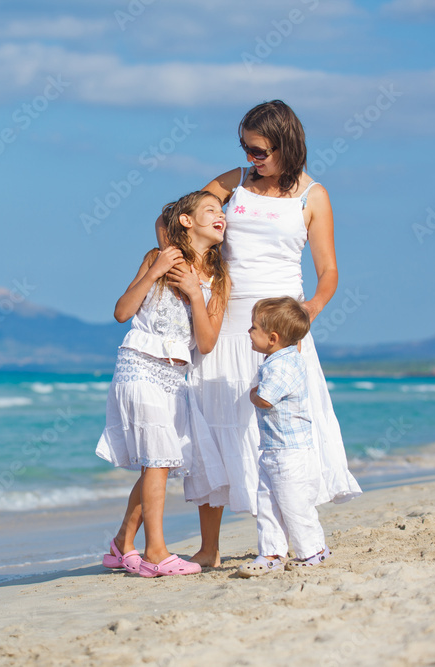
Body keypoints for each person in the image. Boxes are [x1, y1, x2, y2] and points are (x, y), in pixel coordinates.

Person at [156, 100, 362, 569]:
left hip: (283, 330)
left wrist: (307, 312)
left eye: (260, 150)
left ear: (287, 145)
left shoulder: (314, 196)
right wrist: (192, 278)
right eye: (246, 149)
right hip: (225, 320)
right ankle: (209, 548)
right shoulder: (232, 184)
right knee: (216, 425)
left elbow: (328, 270)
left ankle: (292, 537)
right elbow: (172, 222)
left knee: (281, 436)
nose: (252, 159)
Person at [97, 190, 230, 577]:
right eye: (210, 210)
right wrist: (155, 272)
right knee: (157, 461)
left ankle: (122, 542)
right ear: (186, 221)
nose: (220, 215)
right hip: (138, 366)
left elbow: (205, 342)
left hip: (175, 377)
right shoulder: (158, 258)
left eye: (222, 211)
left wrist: (193, 292)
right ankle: (155, 552)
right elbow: (122, 312)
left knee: (160, 464)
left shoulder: (220, 279)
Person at [238, 297, 332, 576]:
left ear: (273, 338)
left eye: (254, 328)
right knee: (266, 502)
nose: (249, 332)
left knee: (294, 505)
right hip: (274, 449)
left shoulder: (283, 365)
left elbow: (266, 399)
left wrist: (253, 393)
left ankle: (312, 550)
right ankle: (271, 552)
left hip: (291, 453)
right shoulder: (279, 358)